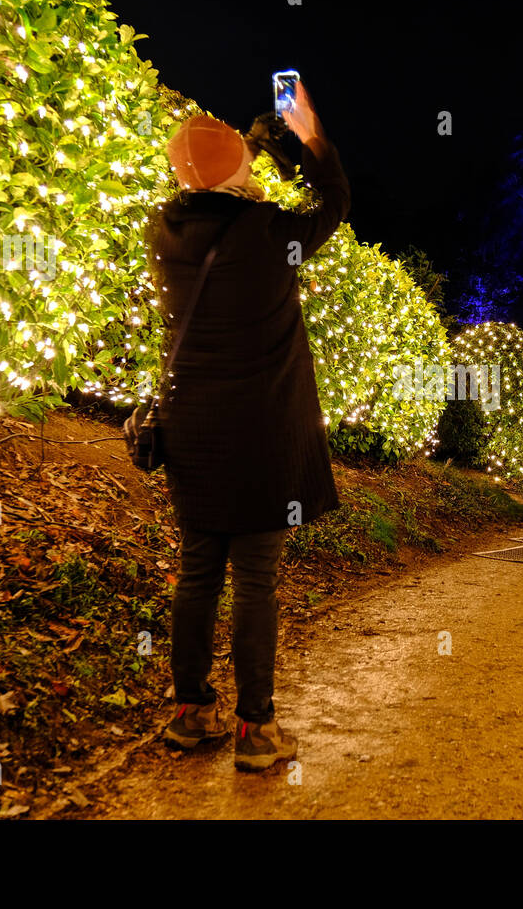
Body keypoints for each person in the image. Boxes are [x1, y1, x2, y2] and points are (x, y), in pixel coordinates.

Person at [147, 81, 350, 771]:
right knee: (255, 582)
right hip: (261, 438)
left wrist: (244, 152)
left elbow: (208, 192)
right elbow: (335, 203)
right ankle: (254, 731)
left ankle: (189, 712)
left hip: (192, 436)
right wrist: (310, 135)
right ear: (238, 172)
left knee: (197, 574)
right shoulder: (271, 236)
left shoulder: (163, 228)